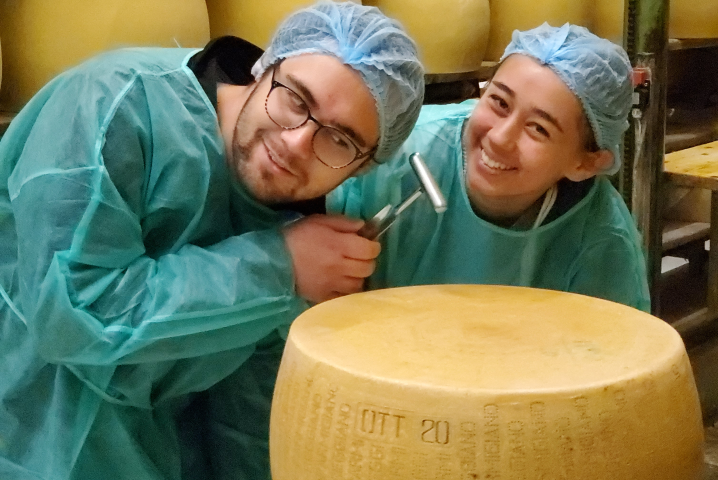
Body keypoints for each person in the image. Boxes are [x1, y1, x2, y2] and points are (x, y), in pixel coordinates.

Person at [0, 2, 424, 479]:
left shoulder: (293, 214)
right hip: (25, 431)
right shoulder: (114, 105)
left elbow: (244, 404)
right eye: (296, 100)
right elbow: (73, 314)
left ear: (363, 167)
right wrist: (279, 268)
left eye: (339, 140)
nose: (295, 142)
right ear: (266, 66)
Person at [330, 23, 651, 312]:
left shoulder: (599, 239)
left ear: (585, 163)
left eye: (539, 128)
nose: (499, 138)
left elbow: (612, 359)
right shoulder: (390, 156)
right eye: (499, 103)